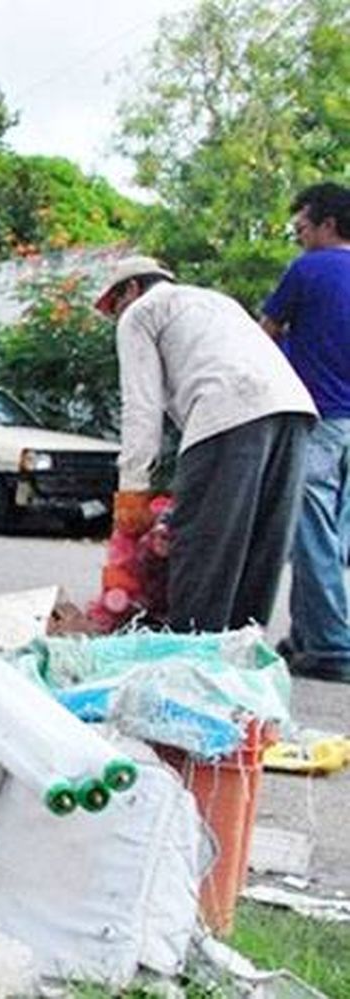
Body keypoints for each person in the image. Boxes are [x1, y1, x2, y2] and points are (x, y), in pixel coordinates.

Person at [97, 256, 316, 633]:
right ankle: (240, 660)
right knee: (259, 551)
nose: (118, 316)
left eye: (115, 306)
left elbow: (141, 406)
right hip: (293, 409)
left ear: (131, 289)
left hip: (229, 411)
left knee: (203, 550)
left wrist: (132, 487)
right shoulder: (216, 301)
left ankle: (193, 661)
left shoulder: (140, 312)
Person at [260, 182, 350, 681]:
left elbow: (263, 336)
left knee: (311, 536)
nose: (299, 238)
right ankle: (309, 639)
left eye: (302, 228)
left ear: (327, 225)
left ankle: (334, 648)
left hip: (319, 418)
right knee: (331, 539)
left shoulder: (308, 269)